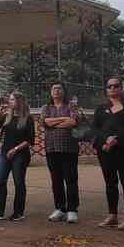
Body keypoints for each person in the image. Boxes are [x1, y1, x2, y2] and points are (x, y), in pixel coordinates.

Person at [93, 77, 124, 231]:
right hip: (105, 150)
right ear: (106, 90)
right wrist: (106, 139)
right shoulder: (101, 108)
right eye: (109, 86)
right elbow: (95, 129)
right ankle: (112, 215)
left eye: (116, 85)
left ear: (121, 88)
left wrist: (117, 139)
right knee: (110, 183)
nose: (112, 88)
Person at [0, 92, 35, 221]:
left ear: (20, 101)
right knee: (0, 180)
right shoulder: (7, 116)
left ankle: (18, 212)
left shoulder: (28, 118)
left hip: (20, 154)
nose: (9, 101)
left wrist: (15, 149)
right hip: (4, 153)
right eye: (10, 99)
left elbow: (30, 140)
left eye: (12, 99)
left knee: (19, 182)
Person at [42, 83, 81, 223]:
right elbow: (45, 121)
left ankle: (72, 209)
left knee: (70, 179)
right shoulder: (46, 107)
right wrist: (63, 119)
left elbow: (73, 122)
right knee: (56, 180)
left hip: (69, 148)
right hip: (51, 148)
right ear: (50, 92)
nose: (56, 91)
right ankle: (60, 208)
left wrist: (54, 124)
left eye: (59, 88)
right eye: (54, 88)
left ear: (64, 91)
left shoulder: (70, 106)